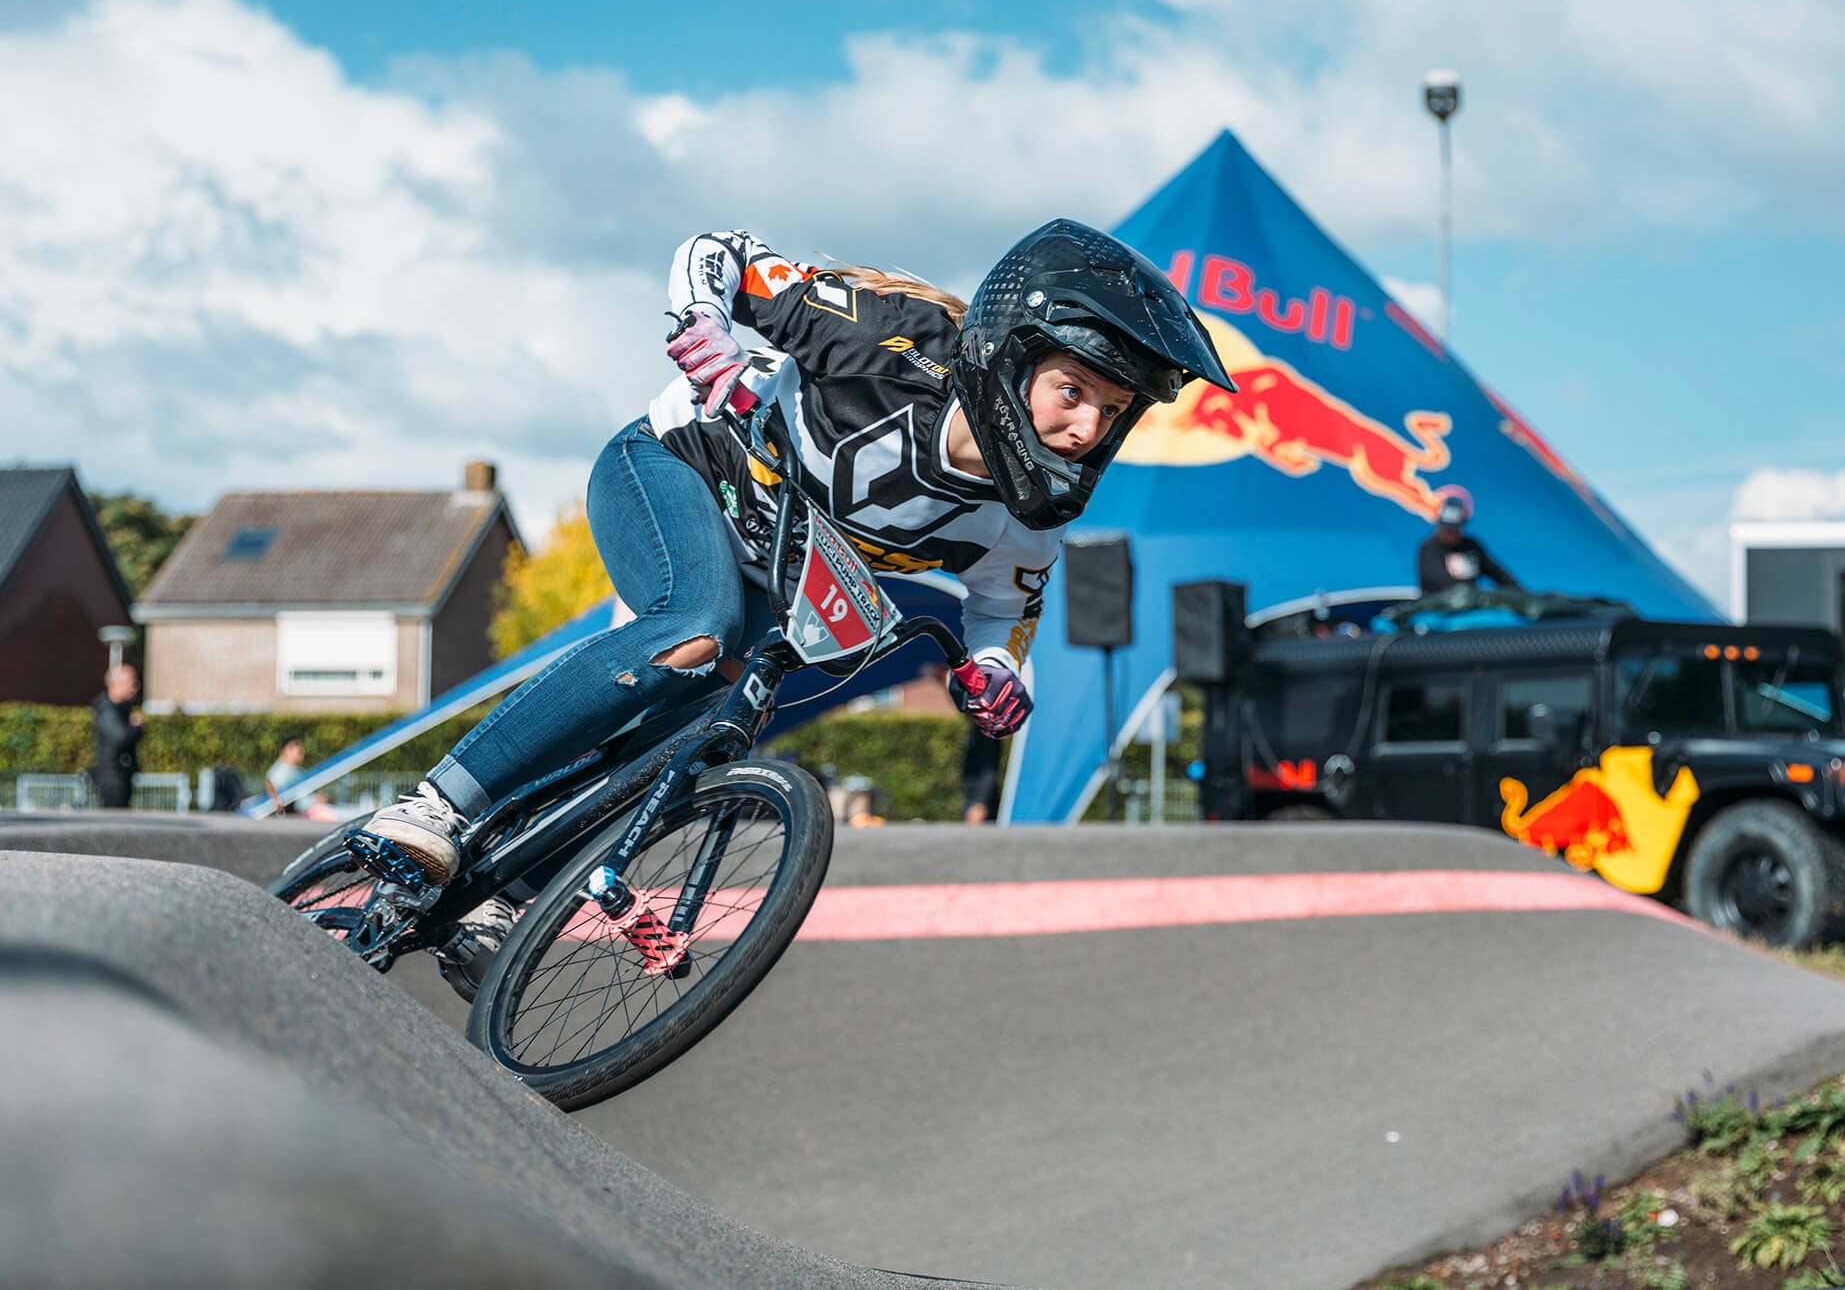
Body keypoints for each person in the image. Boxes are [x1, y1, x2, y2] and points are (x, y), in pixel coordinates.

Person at [352, 219, 1233, 912]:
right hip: (675, 466)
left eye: (1110, 411)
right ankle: (437, 805)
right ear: (1012, 355)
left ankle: (500, 894)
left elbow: (1001, 612)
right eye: (1072, 392)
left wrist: (997, 666)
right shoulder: (891, 338)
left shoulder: (1029, 521)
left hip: (774, 569)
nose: (1086, 429)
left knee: (702, 735)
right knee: (697, 631)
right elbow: (720, 254)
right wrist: (705, 330)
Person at [1417, 485, 1519, 595]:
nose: (1451, 534)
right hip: (1438, 607)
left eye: (1455, 529)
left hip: (1469, 607)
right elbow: (1438, 582)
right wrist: (1473, 594)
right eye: (1448, 530)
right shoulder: (1430, 548)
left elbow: (1497, 573)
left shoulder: (1471, 546)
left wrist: (1520, 593)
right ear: (1439, 527)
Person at [92, 664, 145, 809]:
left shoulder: (121, 710)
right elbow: (120, 737)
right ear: (118, 684)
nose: (135, 688)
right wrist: (136, 727)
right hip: (113, 779)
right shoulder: (107, 711)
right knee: (115, 823)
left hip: (121, 776)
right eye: (132, 683)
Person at [960, 729, 1004, 825]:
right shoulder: (977, 732)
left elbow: (989, 771)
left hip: (979, 802)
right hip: (973, 798)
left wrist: (980, 802)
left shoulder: (987, 734)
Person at [265, 734, 307, 813]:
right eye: (299, 751)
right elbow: (270, 784)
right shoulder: (279, 771)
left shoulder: (298, 770)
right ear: (286, 750)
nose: (303, 751)